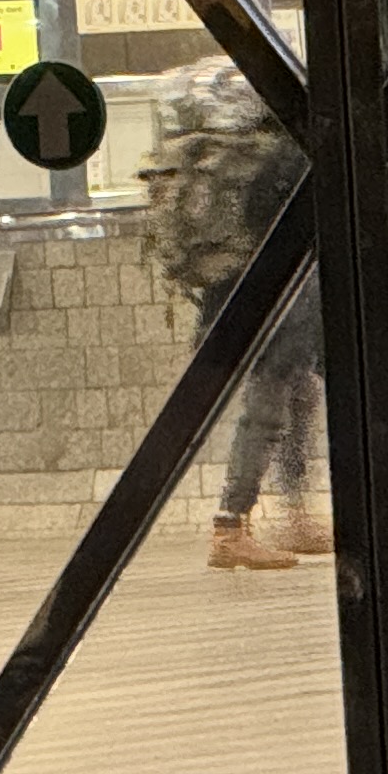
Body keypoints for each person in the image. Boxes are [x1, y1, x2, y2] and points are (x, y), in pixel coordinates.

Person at [141, 56, 327, 572]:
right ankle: (230, 526)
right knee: (269, 405)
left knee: (300, 393)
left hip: (230, 288)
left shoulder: (240, 151)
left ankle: (291, 512)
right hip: (272, 293)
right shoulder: (284, 151)